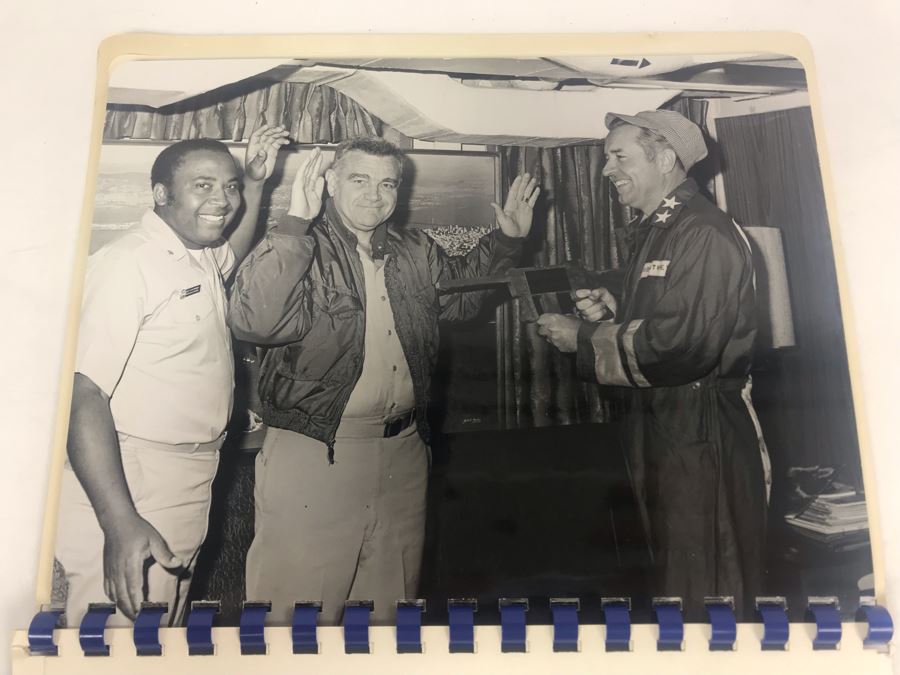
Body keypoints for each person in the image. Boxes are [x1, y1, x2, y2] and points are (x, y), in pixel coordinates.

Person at [229, 136, 538, 625]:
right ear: (330, 183)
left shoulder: (413, 248)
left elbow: (459, 300)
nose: (374, 195)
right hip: (316, 450)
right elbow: (255, 321)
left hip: (404, 452)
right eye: (359, 180)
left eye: (387, 183)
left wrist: (505, 241)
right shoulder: (295, 243)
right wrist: (295, 222)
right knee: (295, 612)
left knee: (388, 609)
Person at [536, 110, 768, 618]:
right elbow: (666, 314)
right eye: (605, 159)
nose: (606, 170)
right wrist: (617, 306)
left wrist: (585, 337)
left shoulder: (702, 231)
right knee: (673, 576)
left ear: (665, 159)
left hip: (700, 432)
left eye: (619, 157)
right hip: (664, 426)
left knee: (706, 580)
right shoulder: (663, 229)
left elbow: (683, 345)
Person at [55, 125, 289, 627]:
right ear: (161, 194)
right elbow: (83, 393)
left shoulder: (197, 254)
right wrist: (119, 521)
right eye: (202, 186)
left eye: (228, 186)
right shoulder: (128, 265)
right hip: (135, 476)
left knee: (160, 632)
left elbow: (233, 249)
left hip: (185, 473)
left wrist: (255, 181)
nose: (222, 200)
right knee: (120, 639)